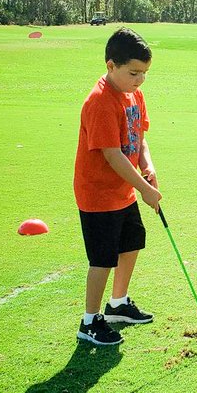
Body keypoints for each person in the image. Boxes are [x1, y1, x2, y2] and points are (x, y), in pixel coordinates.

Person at [73, 27, 162, 346]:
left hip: (122, 191)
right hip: (97, 194)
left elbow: (140, 137)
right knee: (102, 259)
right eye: (133, 72)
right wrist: (144, 188)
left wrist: (147, 165)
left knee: (132, 243)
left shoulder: (134, 94)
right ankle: (90, 321)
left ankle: (118, 304)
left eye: (144, 73)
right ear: (111, 66)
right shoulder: (99, 102)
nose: (140, 80)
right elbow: (111, 155)